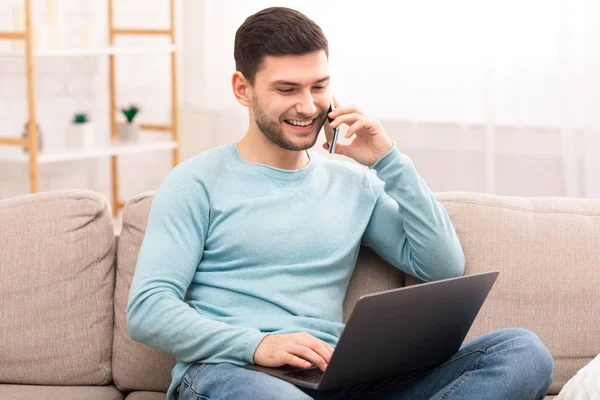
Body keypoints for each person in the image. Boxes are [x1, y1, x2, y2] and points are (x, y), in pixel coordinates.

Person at [127, 7, 554, 400]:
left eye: (319, 86)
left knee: (521, 352)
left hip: (339, 378)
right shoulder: (196, 181)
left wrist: (389, 160)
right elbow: (148, 309)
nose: (308, 106)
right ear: (243, 89)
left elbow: (441, 265)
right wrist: (258, 344)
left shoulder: (354, 183)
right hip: (231, 372)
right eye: (287, 89)